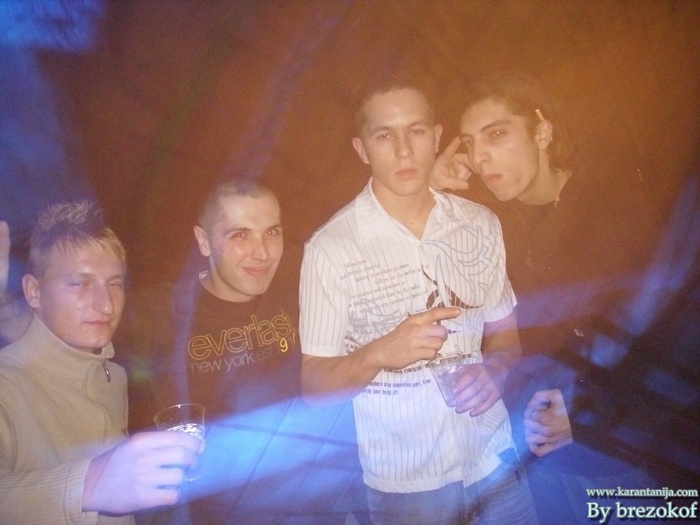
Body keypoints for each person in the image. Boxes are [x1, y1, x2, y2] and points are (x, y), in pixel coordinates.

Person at [299, 77, 538, 525]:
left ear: (438, 137)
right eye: (384, 136)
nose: (404, 151)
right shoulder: (330, 249)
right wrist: (379, 353)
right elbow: (313, 389)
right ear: (361, 149)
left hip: (496, 460)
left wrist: (496, 369)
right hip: (407, 490)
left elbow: (507, 338)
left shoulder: (481, 224)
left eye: (417, 130)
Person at [431, 72, 664, 523]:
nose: (478, 157)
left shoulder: (618, 209)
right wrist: (432, 189)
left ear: (541, 132)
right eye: (470, 144)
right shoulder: (500, 223)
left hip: (618, 457)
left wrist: (587, 414)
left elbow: (662, 335)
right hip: (536, 455)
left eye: (496, 135)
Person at [129, 177, 367, 524]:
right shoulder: (161, 314)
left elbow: (352, 240)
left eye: (272, 232)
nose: (262, 253)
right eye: (240, 235)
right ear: (203, 241)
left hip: (317, 503)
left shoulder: (298, 289)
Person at [0, 201, 202, 525]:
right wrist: (90, 483)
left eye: (114, 284)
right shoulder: (7, 384)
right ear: (34, 292)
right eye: (80, 283)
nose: (106, 305)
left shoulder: (113, 374)